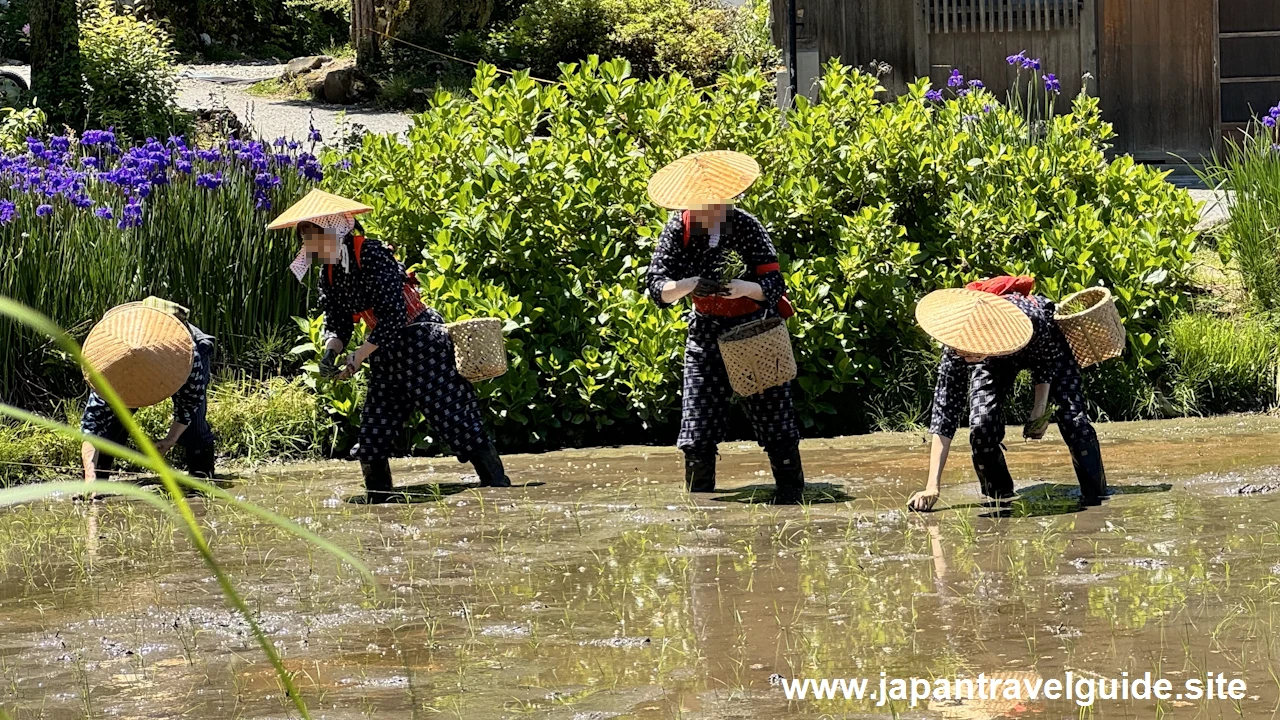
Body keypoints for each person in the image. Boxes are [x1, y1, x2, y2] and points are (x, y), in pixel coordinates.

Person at [269, 189, 511, 502]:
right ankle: (379, 501)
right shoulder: (329, 271)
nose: (308, 246)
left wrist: (357, 356)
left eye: (312, 238)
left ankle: (498, 487)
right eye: (305, 240)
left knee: (457, 420)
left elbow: (394, 315)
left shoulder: (370, 254)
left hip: (422, 345)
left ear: (334, 232)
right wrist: (331, 353)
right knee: (373, 438)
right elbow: (339, 321)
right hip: (384, 353)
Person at [645, 150, 805, 504]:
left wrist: (745, 289)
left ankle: (793, 496)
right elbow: (657, 286)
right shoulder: (678, 228)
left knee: (776, 421)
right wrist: (690, 284)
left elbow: (774, 284)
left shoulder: (746, 225)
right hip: (704, 331)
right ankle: (700, 509)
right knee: (696, 429)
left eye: (716, 203)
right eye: (701, 205)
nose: (710, 210)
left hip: (752, 329)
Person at [907, 277, 1107, 512]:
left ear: (985, 337)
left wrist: (1039, 410)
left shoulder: (1033, 318)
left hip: (1048, 349)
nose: (967, 358)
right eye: (964, 354)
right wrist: (933, 486)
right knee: (982, 427)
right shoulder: (955, 348)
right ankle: (1000, 500)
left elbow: (1046, 362)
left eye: (972, 352)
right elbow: (944, 414)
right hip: (994, 360)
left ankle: (1097, 499)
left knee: (1074, 422)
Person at [81, 297, 217, 482]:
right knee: (111, 422)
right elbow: (93, 426)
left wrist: (170, 440)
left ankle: (202, 479)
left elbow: (189, 404)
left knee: (194, 427)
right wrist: (89, 477)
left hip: (181, 350)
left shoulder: (189, 357)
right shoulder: (110, 364)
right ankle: (99, 481)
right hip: (129, 345)